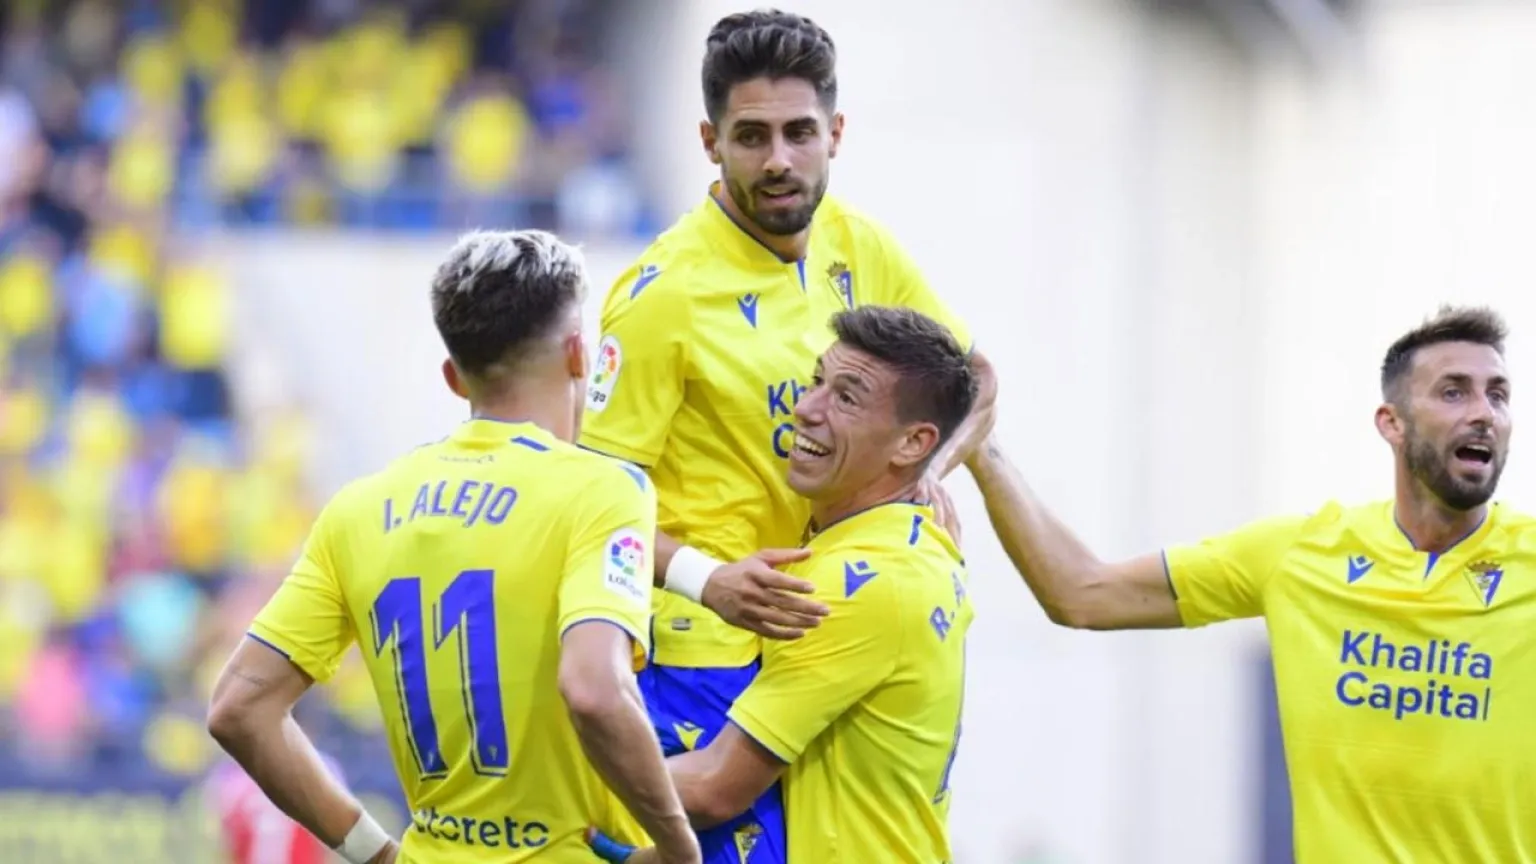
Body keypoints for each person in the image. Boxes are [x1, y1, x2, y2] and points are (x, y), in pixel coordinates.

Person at [578, 10, 995, 862]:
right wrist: (706, 579)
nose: (778, 160)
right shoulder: (664, 294)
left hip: (817, 637)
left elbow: (974, 378)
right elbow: (591, 505)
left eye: (799, 133)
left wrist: (928, 472)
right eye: (752, 136)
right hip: (705, 654)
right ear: (710, 142)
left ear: (834, 133)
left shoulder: (858, 243)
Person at [966, 304, 1536, 862]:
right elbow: (1081, 593)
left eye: (1499, 395)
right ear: (1392, 422)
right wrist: (983, 449)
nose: (1484, 413)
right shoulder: (1299, 553)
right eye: (1453, 392)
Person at [206, 230, 701, 864]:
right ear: (579, 354)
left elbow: (239, 707)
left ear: (453, 377)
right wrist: (679, 848)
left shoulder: (359, 509)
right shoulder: (601, 490)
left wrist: (375, 854)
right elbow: (595, 690)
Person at [590, 305, 979, 864]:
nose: (805, 409)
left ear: (913, 444)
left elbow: (714, 785)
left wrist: (543, 780)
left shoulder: (858, 583)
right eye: (816, 381)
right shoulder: (915, 541)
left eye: (846, 398)